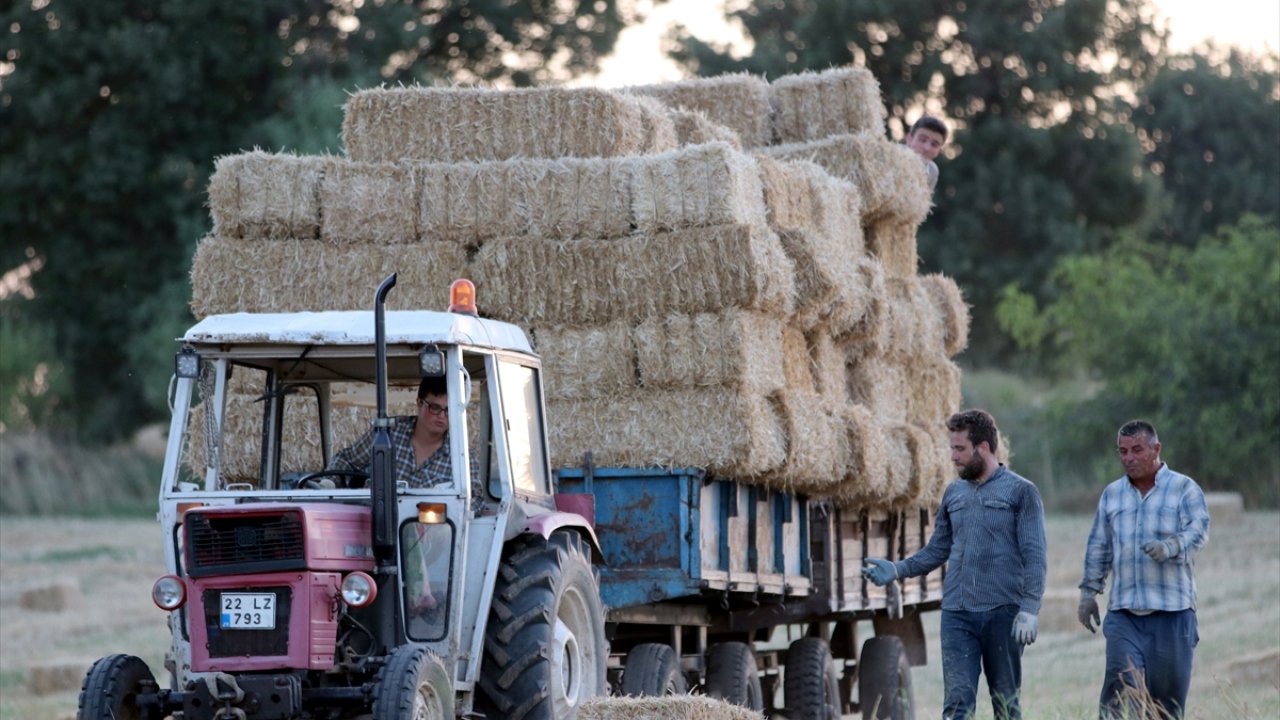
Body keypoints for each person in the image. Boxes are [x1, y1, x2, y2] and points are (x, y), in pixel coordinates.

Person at [863, 409, 1047, 720]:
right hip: (958, 614)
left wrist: (1029, 609)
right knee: (957, 705)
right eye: (952, 448)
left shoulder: (1021, 492)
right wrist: (897, 569)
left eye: (959, 449)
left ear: (984, 448)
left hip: (1003, 613)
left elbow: (1036, 556)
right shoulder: (953, 493)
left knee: (1006, 704)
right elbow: (937, 549)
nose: (953, 457)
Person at [1078, 420, 1209, 719]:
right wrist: (1088, 592)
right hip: (1125, 615)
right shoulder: (1112, 495)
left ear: (1156, 449)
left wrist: (1171, 547)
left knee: (1165, 708)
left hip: (1173, 616)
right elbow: (1099, 546)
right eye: (1123, 451)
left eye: (1137, 450)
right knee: (1120, 696)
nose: (1129, 458)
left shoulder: (1184, 489)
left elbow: (1199, 531)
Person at [906, 115, 948, 192]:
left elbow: (923, 202)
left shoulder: (932, 171)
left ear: (939, 151)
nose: (927, 148)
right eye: (922, 140)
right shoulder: (889, 156)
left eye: (934, 145)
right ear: (909, 139)